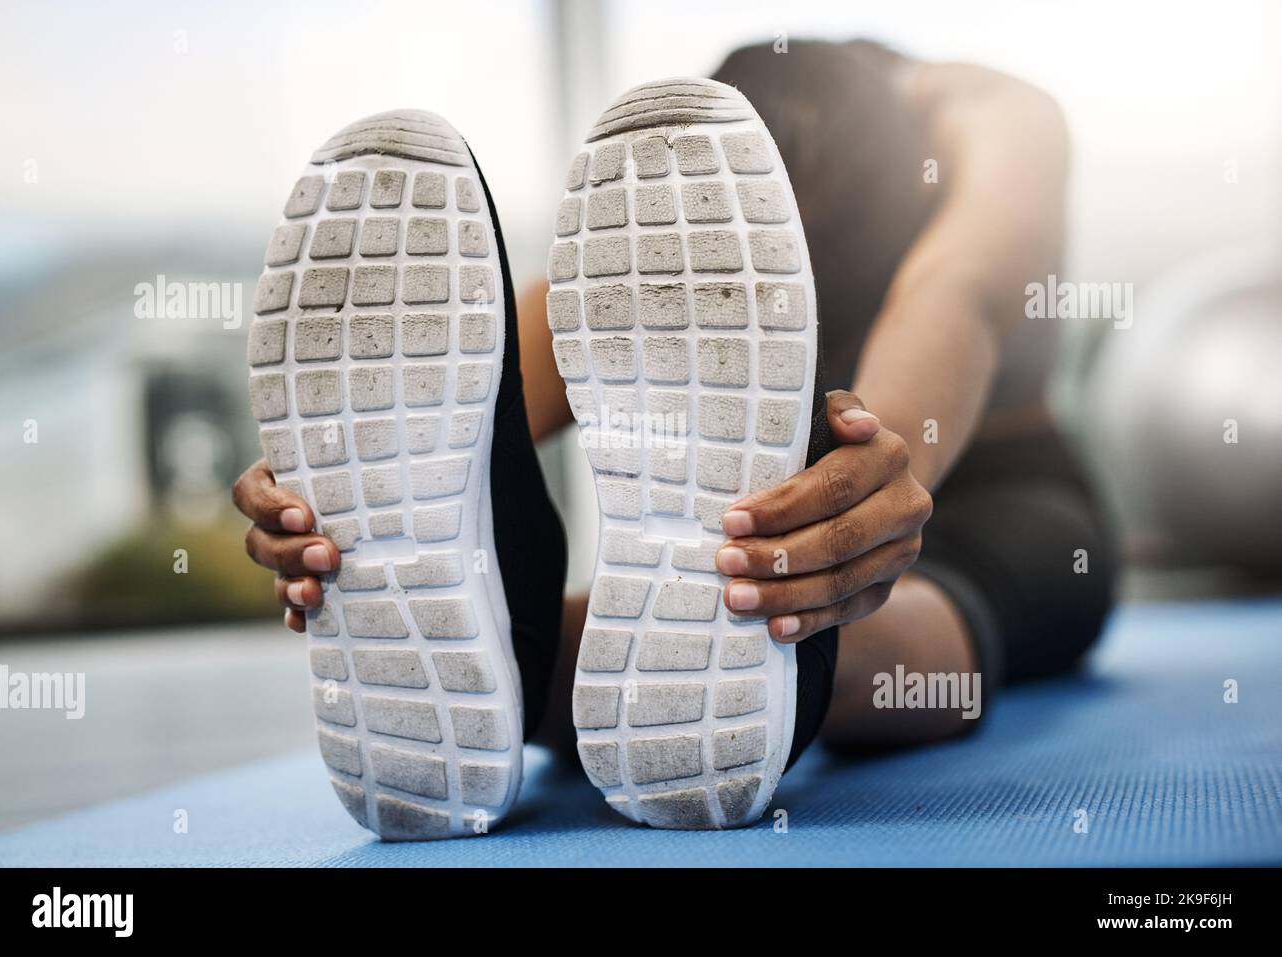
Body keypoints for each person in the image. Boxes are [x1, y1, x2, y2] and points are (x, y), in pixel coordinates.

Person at [233, 39, 1116, 758]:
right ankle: (520, 649)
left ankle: (776, 670)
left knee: (824, 623)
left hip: (1008, 494)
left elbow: (954, 295)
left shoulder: (996, 121)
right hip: (753, 529)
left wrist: (861, 484)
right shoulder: (690, 175)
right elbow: (530, 353)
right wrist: (334, 500)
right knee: (722, 589)